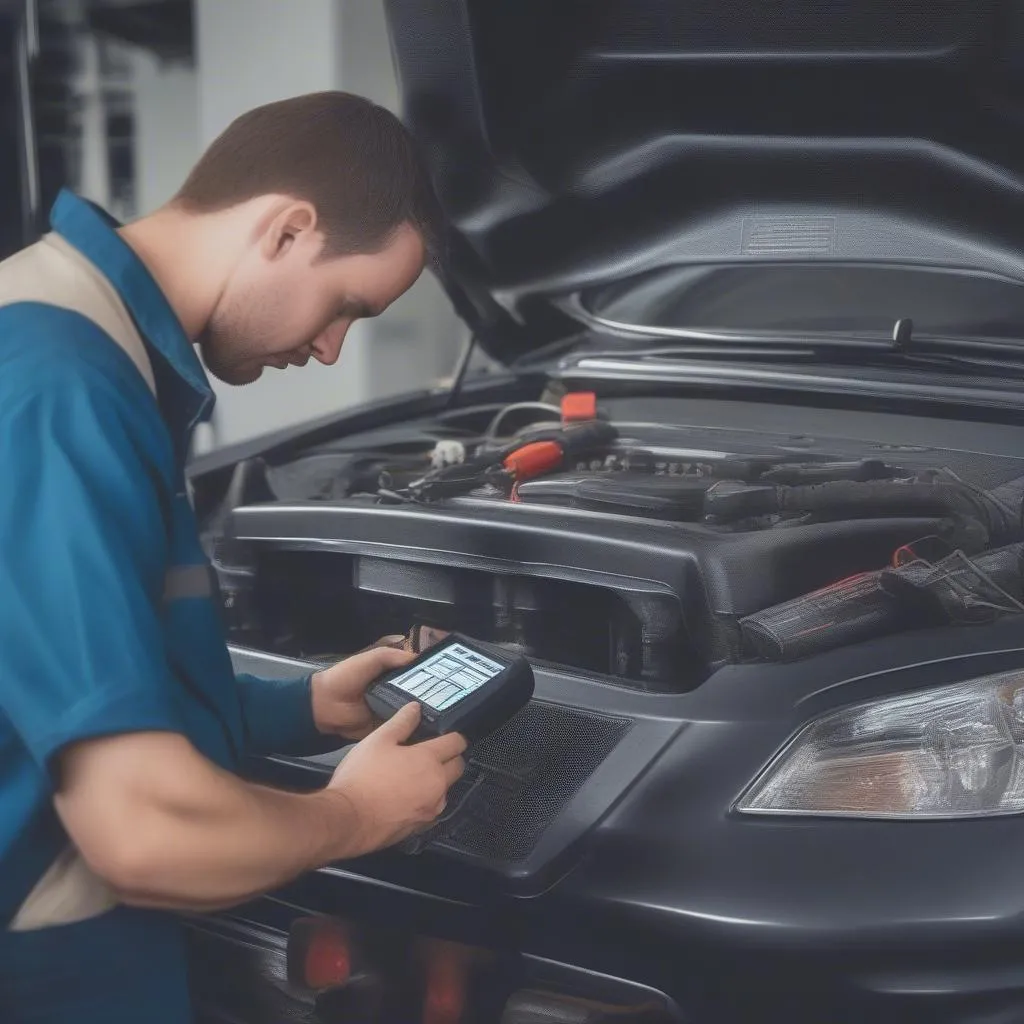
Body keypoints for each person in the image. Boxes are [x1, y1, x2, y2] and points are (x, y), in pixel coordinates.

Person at [0, 91, 467, 1023]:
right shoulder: (62, 387)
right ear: (288, 230)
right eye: (346, 306)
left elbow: (62, 677)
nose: (333, 352)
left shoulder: (67, 333)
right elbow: (145, 836)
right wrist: (355, 815)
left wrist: (301, 706)